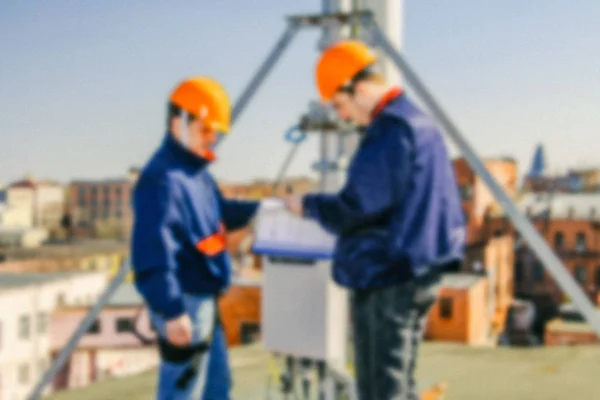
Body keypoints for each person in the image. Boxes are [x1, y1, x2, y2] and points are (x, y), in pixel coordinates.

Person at [284, 40, 466, 400]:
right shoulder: (418, 122)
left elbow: (356, 206)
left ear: (360, 88)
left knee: (380, 389)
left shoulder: (390, 130)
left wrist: (308, 205)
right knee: (398, 382)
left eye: (340, 105)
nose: (344, 117)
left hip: (389, 276)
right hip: (417, 269)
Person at [131, 77, 259, 399]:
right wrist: (172, 311)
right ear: (179, 122)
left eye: (216, 131)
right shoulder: (163, 181)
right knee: (184, 392)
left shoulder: (195, 173)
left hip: (205, 302)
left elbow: (219, 213)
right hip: (185, 302)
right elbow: (152, 255)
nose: (212, 138)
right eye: (205, 129)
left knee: (216, 389)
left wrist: (263, 210)